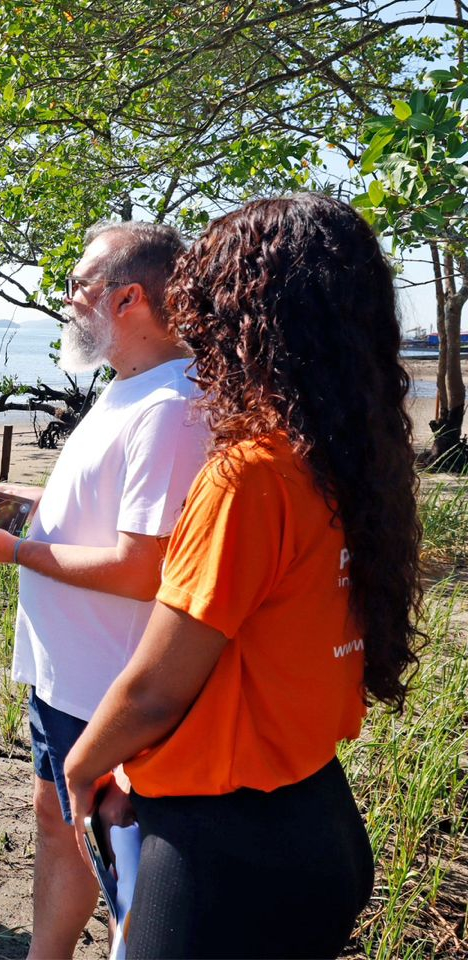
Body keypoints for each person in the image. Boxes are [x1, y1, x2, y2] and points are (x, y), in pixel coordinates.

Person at [63, 193, 420, 958]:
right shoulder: (351, 461)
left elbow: (159, 685)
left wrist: (84, 762)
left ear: (247, 319)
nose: (198, 332)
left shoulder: (249, 476)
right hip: (321, 818)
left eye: (210, 310)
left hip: (222, 852)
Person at [0, 221, 209, 957]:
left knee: (126, 867)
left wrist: (16, 549)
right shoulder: (126, 388)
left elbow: (145, 567)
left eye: (77, 284)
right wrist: (15, 504)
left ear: (128, 298)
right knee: (58, 822)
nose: (64, 300)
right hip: (70, 679)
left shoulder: (169, 409)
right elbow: (101, 517)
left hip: (112, 690)